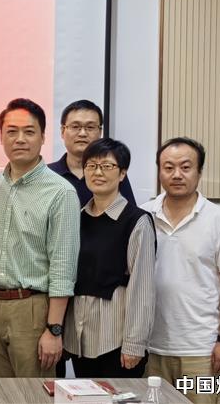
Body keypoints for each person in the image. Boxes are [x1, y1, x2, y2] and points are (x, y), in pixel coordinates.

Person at [0, 98, 80, 378]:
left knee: (33, 394)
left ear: (43, 137)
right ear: (1, 136)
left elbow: (63, 266)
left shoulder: (60, 192)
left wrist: (54, 329)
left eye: (29, 131)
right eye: (12, 131)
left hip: (33, 309)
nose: (20, 139)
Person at [141, 137, 220, 404]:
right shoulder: (143, 215)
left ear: (199, 172)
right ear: (159, 171)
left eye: (185, 167)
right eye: (168, 167)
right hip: (150, 347)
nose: (177, 174)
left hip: (202, 349)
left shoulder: (219, 219)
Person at [63, 138, 156, 378]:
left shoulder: (137, 221)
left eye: (107, 166)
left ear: (122, 173)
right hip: (79, 337)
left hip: (115, 339)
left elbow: (142, 287)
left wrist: (134, 344)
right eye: (91, 166)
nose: (98, 172)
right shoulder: (77, 218)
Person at [48, 99, 136, 206]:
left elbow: (129, 212)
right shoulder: (47, 174)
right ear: (62, 131)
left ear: (100, 132)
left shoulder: (112, 171)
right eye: (75, 127)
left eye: (90, 127)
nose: (82, 133)